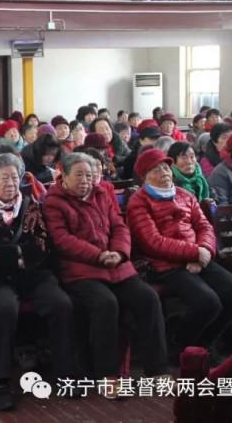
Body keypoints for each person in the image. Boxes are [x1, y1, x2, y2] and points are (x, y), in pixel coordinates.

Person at [43, 153, 167, 389]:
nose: (85, 180)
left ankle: (157, 369)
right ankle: (107, 375)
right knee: (106, 303)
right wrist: (98, 255)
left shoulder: (102, 194)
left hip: (116, 265)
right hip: (80, 270)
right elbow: (62, 239)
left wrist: (118, 253)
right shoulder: (54, 201)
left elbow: (119, 226)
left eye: (89, 175)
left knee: (147, 298)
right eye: (78, 175)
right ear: (64, 177)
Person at [0, 154, 75, 410]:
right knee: (4, 308)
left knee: (61, 303)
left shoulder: (30, 205)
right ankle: (1, 381)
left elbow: (42, 245)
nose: (10, 183)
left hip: (33, 275)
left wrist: (13, 254)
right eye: (4, 178)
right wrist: (19, 255)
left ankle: (65, 373)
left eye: (15, 178)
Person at [127, 149, 232, 361]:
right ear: (144, 177)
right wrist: (193, 253)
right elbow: (152, 242)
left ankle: (202, 345)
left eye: (166, 168)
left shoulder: (184, 195)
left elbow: (204, 226)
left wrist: (205, 251)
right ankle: (179, 344)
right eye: (156, 170)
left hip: (199, 257)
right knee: (208, 302)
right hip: (165, 265)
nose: (164, 173)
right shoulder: (139, 201)